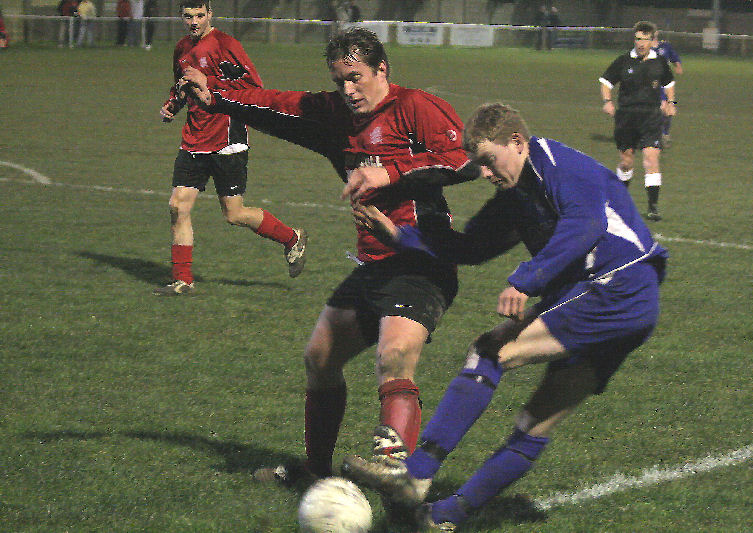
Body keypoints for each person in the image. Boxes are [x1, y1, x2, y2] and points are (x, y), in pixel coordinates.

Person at [342, 102, 668, 532]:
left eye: (489, 161)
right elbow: (471, 248)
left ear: (517, 142)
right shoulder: (515, 196)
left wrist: (526, 279)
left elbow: (585, 222)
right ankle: (444, 518)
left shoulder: (559, 165)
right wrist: (401, 236)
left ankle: (415, 476)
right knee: (535, 421)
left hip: (616, 286)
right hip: (622, 301)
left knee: (490, 351)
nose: (486, 173)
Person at [181, 27, 474, 481]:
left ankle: (396, 470)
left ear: (382, 69)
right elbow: (275, 105)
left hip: (423, 261)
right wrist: (215, 96)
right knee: (319, 357)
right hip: (374, 265)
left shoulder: (415, 106)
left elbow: (464, 159)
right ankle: (314, 473)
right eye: (340, 81)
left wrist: (391, 172)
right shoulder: (337, 117)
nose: (349, 90)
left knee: (394, 354)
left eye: (356, 77)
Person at [155, 0, 306, 295]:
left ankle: (291, 238)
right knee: (177, 205)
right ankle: (183, 280)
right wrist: (172, 105)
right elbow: (182, 85)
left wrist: (209, 80)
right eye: (188, 16)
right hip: (194, 138)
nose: (194, 22)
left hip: (227, 139)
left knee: (234, 214)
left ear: (210, 14)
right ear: (181, 17)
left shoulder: (226, 44)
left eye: (200, 15)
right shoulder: (182, 48)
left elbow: (254, 86)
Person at [599, 20, 676, 221]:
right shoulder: (623, 61)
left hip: (651, 117)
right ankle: (618, 201)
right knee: (626, 162)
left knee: (651, 159)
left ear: (652, 41)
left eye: (645, 40)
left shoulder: (660, 62)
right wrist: (607, 101)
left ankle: (652, 207)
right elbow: (606, 82)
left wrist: (671, 102)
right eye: (638, 39)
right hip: (626, 118)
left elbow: (669, 83)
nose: (641, 43)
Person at [653, 30, 683, 148]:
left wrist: (678, 66)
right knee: (661, 107)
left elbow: (675, 57)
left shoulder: (665, 46)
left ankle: (665, 134)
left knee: (669, 110)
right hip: (651, 83)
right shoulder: (645, 48)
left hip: (665, 83)